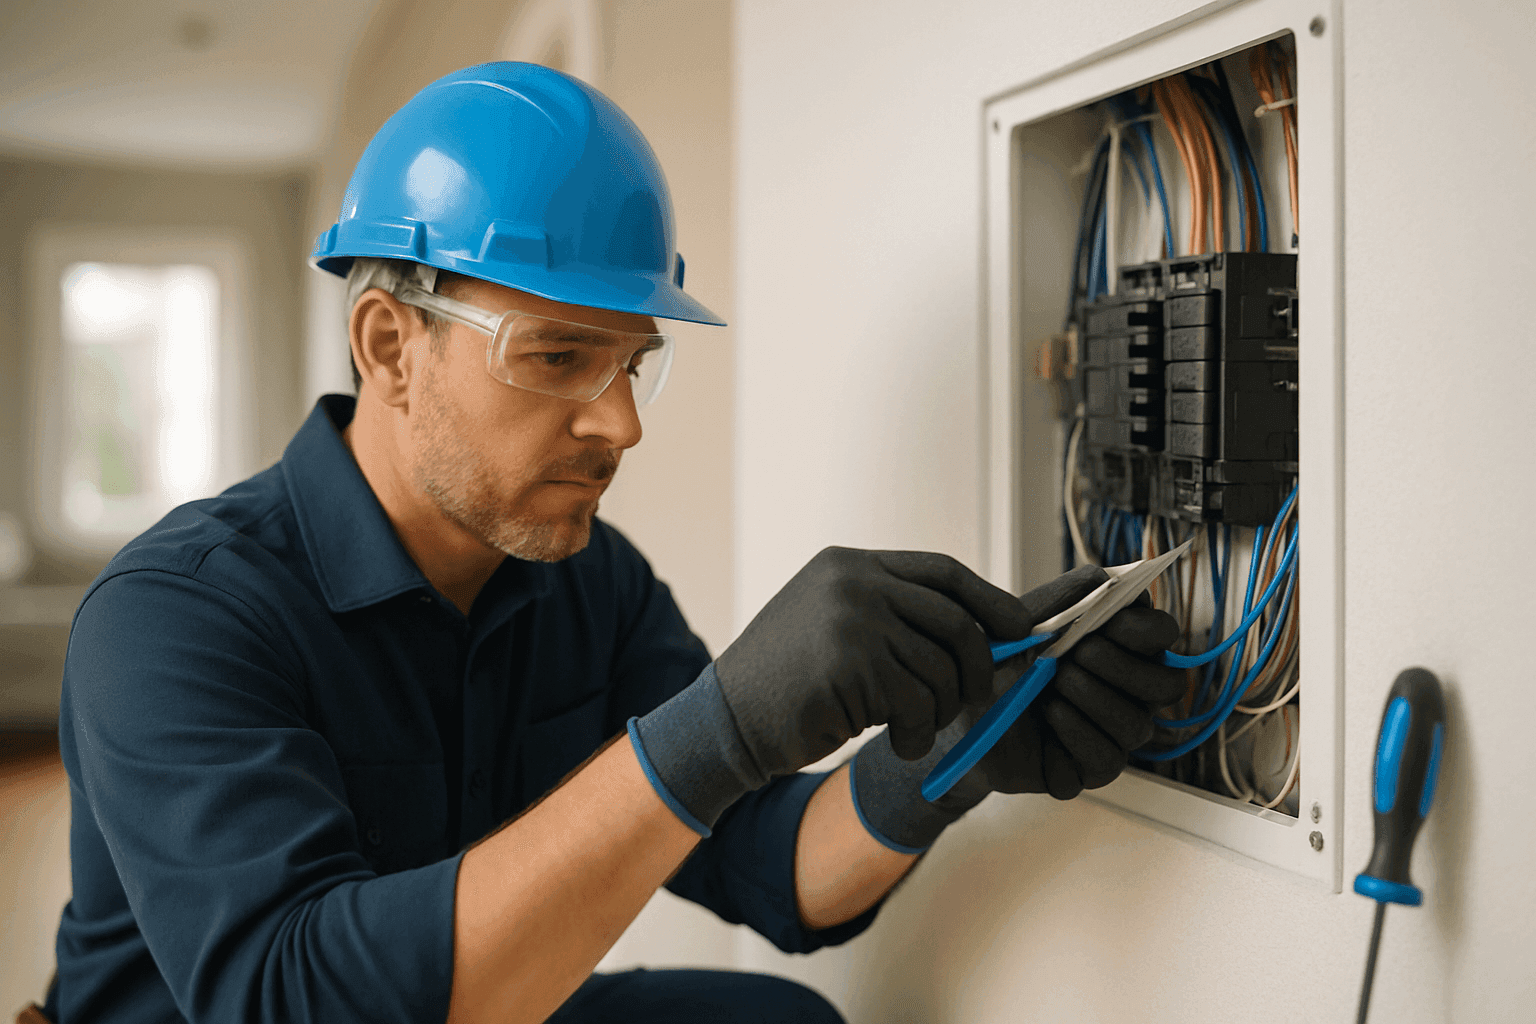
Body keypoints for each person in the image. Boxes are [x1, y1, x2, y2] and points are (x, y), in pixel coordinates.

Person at [39, 63, 1185, 1024]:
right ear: (389, 347)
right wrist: (713, 730)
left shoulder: (587, 581)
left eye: (632, 362)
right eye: (555, 357)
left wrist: (958, 748)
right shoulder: (174, 615)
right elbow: (290, 998)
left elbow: (773, 870)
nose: (623, 424)